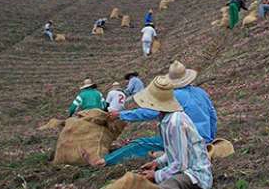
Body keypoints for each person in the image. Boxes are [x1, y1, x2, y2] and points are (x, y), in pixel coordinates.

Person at [118, 76, 212, 189]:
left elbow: (181, 164)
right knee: (161, 176)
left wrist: (157, 175)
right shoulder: (167, 119)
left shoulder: (175, 122)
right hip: (187, 167)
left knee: (169, 185)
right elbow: (172, 152)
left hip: (196, 172)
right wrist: (156, 163)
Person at [87, 61, 217, 166]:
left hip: (187, 139)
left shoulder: (174, 95)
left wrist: (121, 115)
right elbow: (212, 117)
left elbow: (149, 112)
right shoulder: (201, 92)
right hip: (204, 138)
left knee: (140, 144)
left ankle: (104, 162)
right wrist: (209, 138)